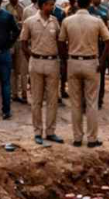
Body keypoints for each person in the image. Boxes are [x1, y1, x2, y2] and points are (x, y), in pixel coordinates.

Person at [59, 0, 109, 147]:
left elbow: (61, 42)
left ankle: (77, 138)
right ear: (89, 4)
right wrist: (101, 61)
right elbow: (108, 42)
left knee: (75, 103)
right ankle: (92, 139)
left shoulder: (67, 21)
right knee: (91, 102)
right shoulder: (97, 21)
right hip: (91, 63)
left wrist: (65, 60)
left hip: (73, 62)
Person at [21, 0, 64, 145]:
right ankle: (37, 132)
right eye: (49, 4)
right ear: (42, 5)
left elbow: (59, 41)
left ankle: (50, 131)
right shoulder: (30, 21)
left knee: (52, 100)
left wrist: (61, 60)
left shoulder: (55, 21)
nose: (52, 7)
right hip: (36, 62)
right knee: (37, 100)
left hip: (52, 62)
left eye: (52, 4)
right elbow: (23, 43)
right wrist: (31, 59)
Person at [5, 0, 28, 104]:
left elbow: (24, 24)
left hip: (19, 41)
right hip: (9, 41)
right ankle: (13, 93)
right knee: (11, 69)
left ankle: (24, 94)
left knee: (22, 69)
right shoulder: (5, 8)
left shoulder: (22, 8)